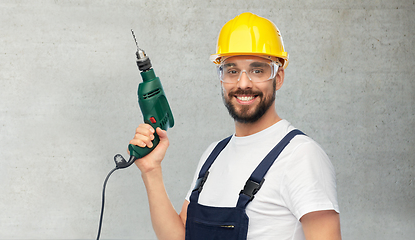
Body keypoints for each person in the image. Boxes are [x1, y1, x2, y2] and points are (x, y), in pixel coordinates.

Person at [129, 12, 341, 240]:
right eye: (232, 71)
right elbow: (181, 237)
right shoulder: (213, 155)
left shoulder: (301, 156)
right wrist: (151, 171)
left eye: (257, 70)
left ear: (278, 78)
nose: (243, 83)